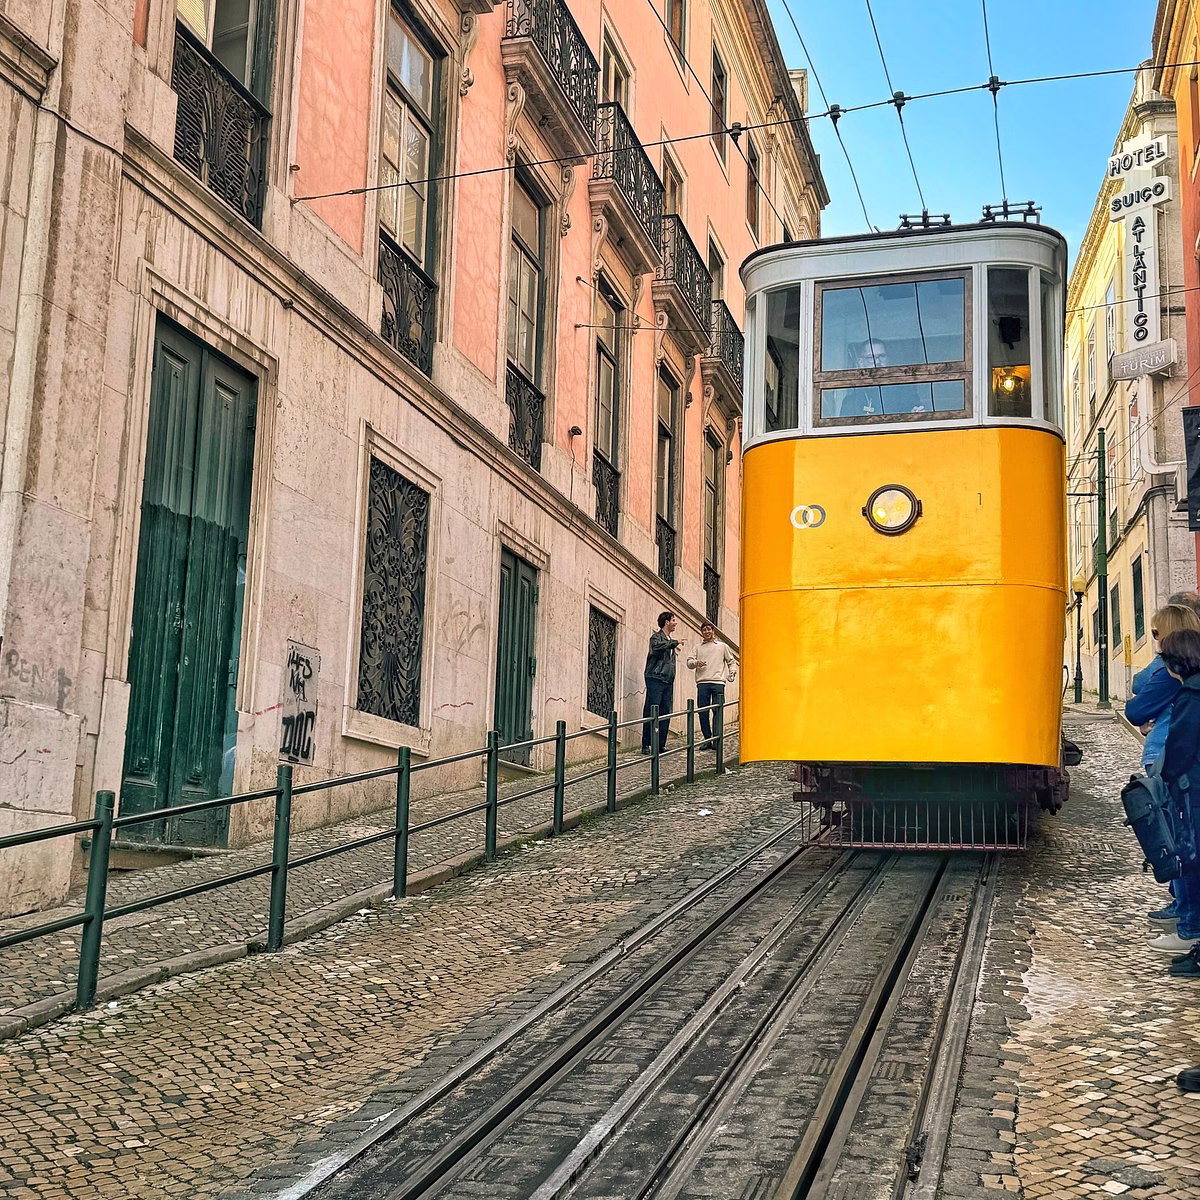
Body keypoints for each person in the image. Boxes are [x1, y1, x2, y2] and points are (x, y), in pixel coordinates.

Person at [1129, 605, 1200, 933]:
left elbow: (1136, 703)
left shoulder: (1176, 672)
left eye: (1156, 634)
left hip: (1170, 761)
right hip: (1173, 760)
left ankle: (1187, 920)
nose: (1155, 643)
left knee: (1177, 840)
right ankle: (1182, 907)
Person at [1147, 628, 1200, 968]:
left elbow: (1181, 748)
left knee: (1191, 856)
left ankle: (1191, 931)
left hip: (1193, 791)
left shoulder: (1191, 696)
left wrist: (1164, 783)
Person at [687, 621, 738, 747]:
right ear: (701, 632)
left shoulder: (722, 646)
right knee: (703, 712)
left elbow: (731, 661)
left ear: (713, 631)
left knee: (717, 711)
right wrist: (696, 663)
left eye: (709, 629)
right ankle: (707, 739)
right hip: (702, 682)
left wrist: (732, 672)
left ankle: (717, 740)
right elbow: (689, 662)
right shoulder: (698, 647)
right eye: (704, 630)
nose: (707, 632)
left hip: (718, 683)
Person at [642, 611, 680, 754]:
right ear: (667, 622)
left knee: (665, 711)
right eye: (673, 620)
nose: (675, 623)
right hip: (655, 678)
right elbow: (656, 648)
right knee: (652, 710)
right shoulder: (656, 638)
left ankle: (660, 744)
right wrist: (674, 643)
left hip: (667, 680)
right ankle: (646, 744)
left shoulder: (669, 640)